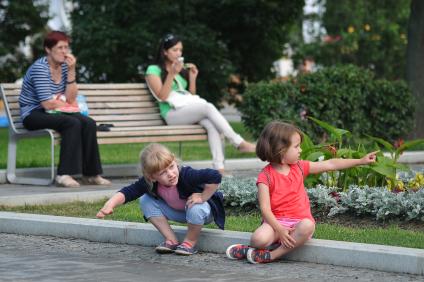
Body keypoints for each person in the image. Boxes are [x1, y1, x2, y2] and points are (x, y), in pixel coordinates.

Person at [225, 121, 378, 264]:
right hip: (275, 224)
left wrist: (360, 161)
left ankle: (271, 255)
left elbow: (331, 163)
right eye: (297, 146)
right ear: (281, 150)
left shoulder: (300, 167)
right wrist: (280, 229)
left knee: (308, 226)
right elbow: (265, 209)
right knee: (258, 239)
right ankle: (253, 249)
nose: (301, 150)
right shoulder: (265, 176)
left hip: (298, 223)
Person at [145, 33, 255, 174]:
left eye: (180, 50)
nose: (178, 53)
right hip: (171, 114)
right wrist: (171, 74)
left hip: (185, 110)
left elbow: (190, 96)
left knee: (210, 124)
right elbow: (162, 96)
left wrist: (192, 78)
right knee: (207, 107)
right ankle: (238, 143)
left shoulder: (180, 70)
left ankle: (219, 168)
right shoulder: (153, 70)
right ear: (165, 52)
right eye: (174, 50)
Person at [96, 143, 224, 255]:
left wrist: (203, 197)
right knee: (145, 200)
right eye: (163, 173)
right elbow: (129, 192)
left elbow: (215, 176)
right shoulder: (149, 182)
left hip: (204, 213)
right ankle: (171, 240)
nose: (171, 174)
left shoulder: (187, 174)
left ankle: (189, 243)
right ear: (151, 177)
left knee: (196, 208)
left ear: (175, 161)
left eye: (171, 166)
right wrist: (110, 204)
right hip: (182, 212)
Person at [19, 31, 110, 188]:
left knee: (88, 122)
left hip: (56, 111)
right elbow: (47, 104)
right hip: (33, 114)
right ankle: (63, 175)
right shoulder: (40, 68)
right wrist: (69, 105)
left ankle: (91, 174)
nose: (64, 51)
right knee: (71, 123)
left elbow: (71, 98)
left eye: (66, 47)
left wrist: (72, 71)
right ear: (48, 49)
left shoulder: (65, 67)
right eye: (60, 47)